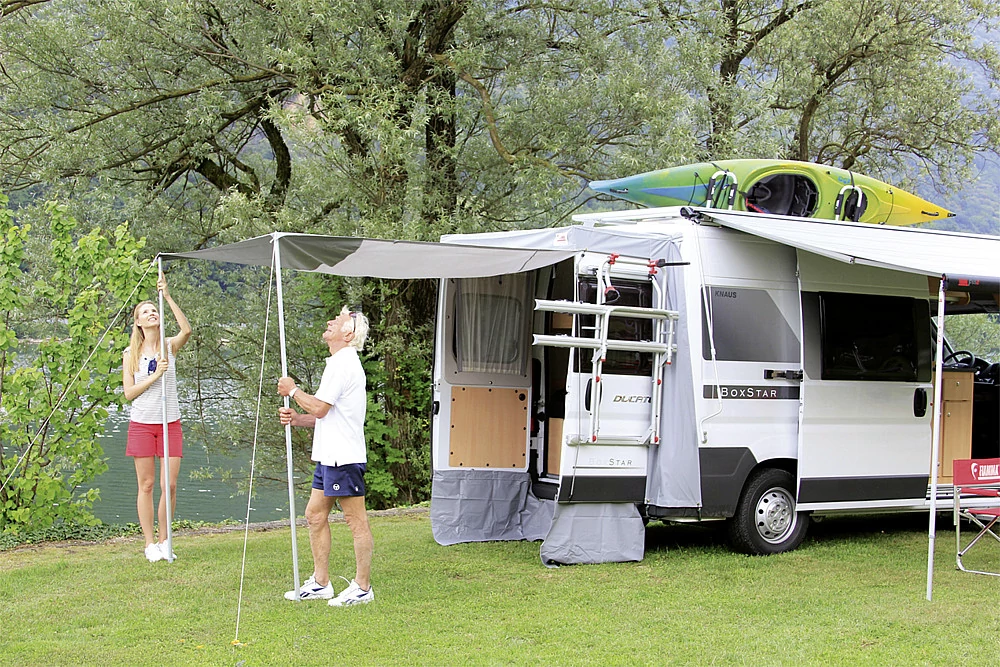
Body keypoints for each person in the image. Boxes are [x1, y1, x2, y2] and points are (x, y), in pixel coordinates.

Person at [278, 306, 374, 607]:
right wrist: (297, 418)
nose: (331, 320)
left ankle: (362, 587)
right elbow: (326, 413)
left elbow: (319, 407)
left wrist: (293, 391)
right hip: (329, 457)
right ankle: (321, 583)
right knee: (315, 515)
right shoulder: (338, 363)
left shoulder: (344, 363)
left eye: (340, 318)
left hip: (343, 458)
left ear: (348, 333)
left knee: (355, 521)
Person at [122, 271, 192, 562]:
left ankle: (166, 540)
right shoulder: (131, 353)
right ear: (138, 322)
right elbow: (129, 393)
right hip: (142, 423)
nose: (152, 314)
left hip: (169, 422)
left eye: (154, 310)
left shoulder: (168, 346)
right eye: (145, 312)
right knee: (146, 485)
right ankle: (149, 544)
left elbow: (186, 330)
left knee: (170, 485)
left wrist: (167, 296)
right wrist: (155, 376)